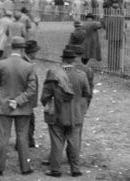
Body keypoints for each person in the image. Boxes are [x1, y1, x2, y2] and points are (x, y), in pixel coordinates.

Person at [0, 37, 36, 176]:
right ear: (23, 49)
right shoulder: (29, 66)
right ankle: (25, 167)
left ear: (11, 47)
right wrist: (19, 100)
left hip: (4, 105)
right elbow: (31, 89)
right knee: (22, 137)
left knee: (3, 137)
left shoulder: (1, 64)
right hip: (22, 107)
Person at [41, 49, 91, 177]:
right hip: (76, 114)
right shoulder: (81, 74)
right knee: (74, 142)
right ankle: (75, 169)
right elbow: (87, 93)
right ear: (74, 60)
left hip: (58, 113)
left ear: (62, 59)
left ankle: (56, 170)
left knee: (57, 141)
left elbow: (45, 94)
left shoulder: (54, 73)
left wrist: (47, 103)